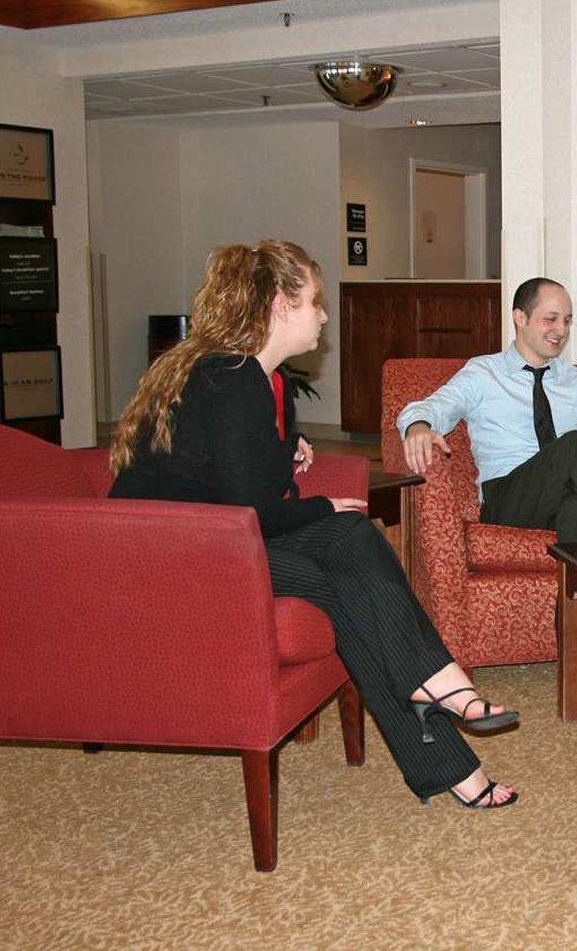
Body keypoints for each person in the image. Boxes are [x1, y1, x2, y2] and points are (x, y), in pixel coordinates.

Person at [109, 241, 518, 809]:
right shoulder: (231, 379)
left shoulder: (264, 381)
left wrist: (286, 452)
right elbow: (252, 511)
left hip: (217, 536)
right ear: (280, 304)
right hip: (170, 551)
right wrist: (322, 506)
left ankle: (448, 738)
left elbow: (238, 484)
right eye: (315, 302)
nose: (325, 316)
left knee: (351, 563)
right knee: (346, 543)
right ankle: (442, 694)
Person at [398, 277, 577, 707]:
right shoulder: (484, 372)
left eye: (567, 320)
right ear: (519, 318)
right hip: (509, 497)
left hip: (563, 494)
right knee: (575, 445)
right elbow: (428, 407)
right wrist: (419, 425)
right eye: (551, 318)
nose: (561, 330)